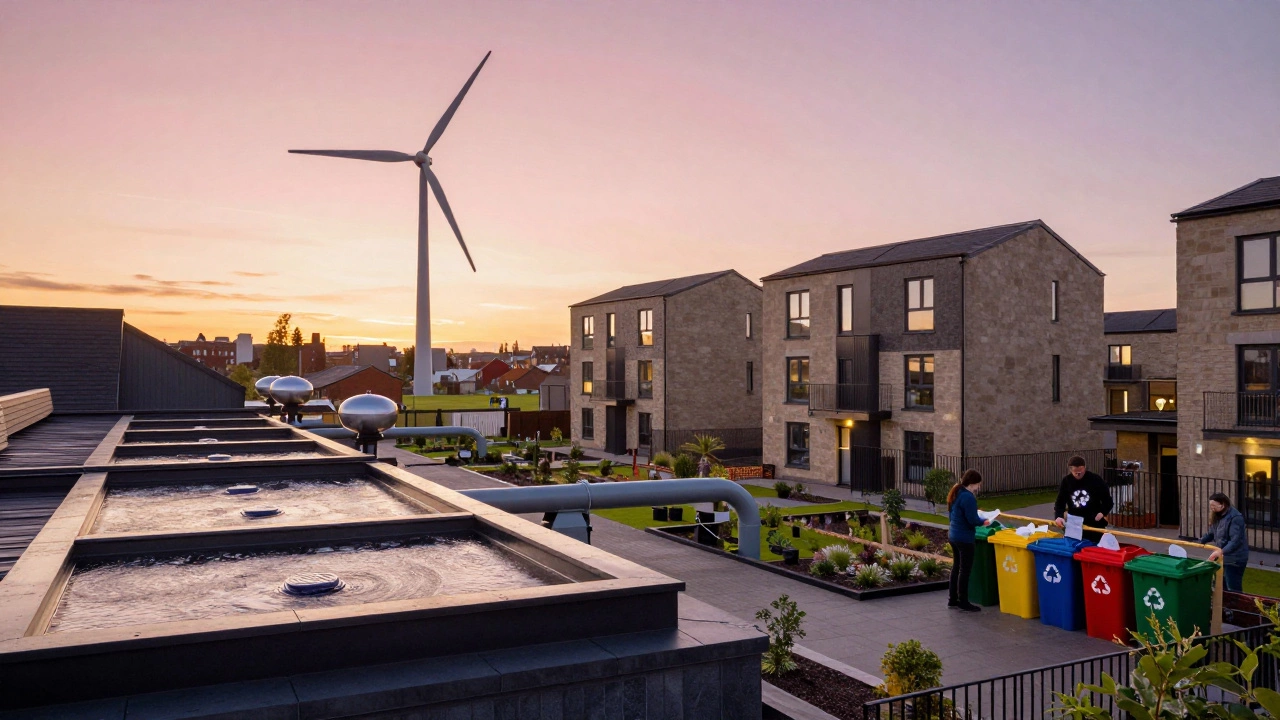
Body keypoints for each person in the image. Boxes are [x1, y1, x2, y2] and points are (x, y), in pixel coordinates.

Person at [947, 469, 992, 612]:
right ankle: (963, 600)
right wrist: (984, 521)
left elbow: (953, 515)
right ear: (973, 483)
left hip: (953, 534)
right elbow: (972, 520)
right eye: (978, 484)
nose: (979, 487)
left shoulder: (956, 492)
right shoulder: (968, 497)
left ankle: (952, 599)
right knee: (965, 570)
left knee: (956, 567)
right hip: (964, 538)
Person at [1053, 456, 1113, 542]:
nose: (1078, 475)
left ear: (1084, 468)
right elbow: (1060, 502)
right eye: (1076, 472)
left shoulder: (1095, 480)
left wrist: (1102, 512)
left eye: (1081, 472)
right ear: (1070, 470)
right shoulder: (1066, 481)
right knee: (1074, 548)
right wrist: (1058, 516)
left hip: (1094, 522)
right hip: (1074, 523)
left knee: (1094, 549)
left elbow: (1108, 500)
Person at [1199, 492, 1248, 593]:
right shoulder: (1217, 516)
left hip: (1235, 560)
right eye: (1210, 506)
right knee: (1220, 585)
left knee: (1233, 588)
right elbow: (1212, 532)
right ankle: (1223, 607)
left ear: (1222, 505)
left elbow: (1235, 541)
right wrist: (1202, 540)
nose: (1211, 508)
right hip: (1223, 557)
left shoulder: (1235, 518)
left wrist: (1221, 551)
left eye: (1214, 506)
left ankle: (1234, 608)